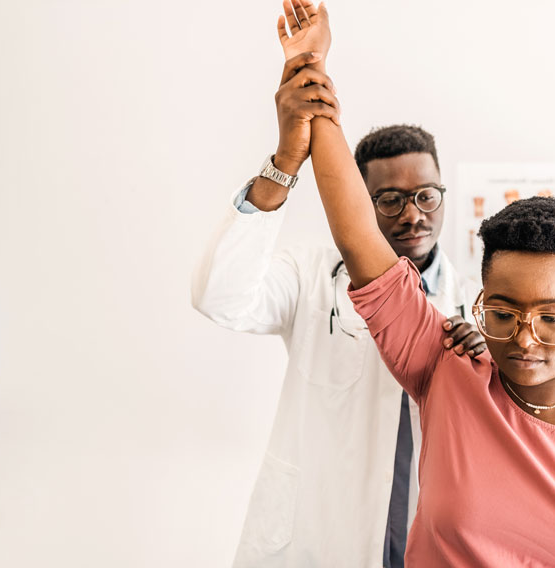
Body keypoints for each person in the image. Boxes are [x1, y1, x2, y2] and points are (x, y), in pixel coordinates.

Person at [274, 3, 555, 565]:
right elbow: (360, 238)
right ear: (480, 301)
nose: (524, 339)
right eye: (503, 313)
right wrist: (310, 67)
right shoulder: (447, 371)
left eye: (552, 319)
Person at [191, 3, 484, 565]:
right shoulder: (311, 277)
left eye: (426, 195)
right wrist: (284, 163)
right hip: (318, 539)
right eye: (390, 199)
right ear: (359, 198)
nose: (413, 214)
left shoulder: (477, 304)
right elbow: (219, 297)